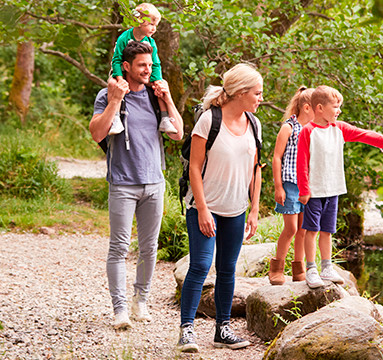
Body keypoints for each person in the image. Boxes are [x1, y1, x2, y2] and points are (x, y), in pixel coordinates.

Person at [89, 41, 184, 330]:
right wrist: (116, 100)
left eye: (150, 64)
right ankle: (120, 310)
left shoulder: (156, 97)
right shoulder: (107, 95)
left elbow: (178, 134)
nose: (148, 69)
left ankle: (140, 299)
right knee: (118, 248)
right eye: (142, 65)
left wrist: (167, 99)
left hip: (154, 182)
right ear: (126, 66)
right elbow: (96, 133)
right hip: (122, 183)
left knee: (149, 247)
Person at [176, 64, 263, 353]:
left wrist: (254, 210)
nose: (260, 98)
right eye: (257, 93)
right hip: (205, 206)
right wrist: (202, 209)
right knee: (200, 265)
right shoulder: (209, 121)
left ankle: (222, 331)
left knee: (227, 269)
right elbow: (195, 168)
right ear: (240, 93)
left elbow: (256, 168)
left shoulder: (254, 123)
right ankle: (186, 331)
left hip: (236, 209)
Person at [296, 85, 383, 289]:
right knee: (311, 230)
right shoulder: (308, 131)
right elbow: (301, 162)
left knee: (327, 231)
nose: (339, 110)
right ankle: (311, 269)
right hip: (314, 191)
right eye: (335, 106)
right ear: (320, 108)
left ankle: (326, 267)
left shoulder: (339, 128)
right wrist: (304, 190)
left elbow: (366, 135)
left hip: (333, 189)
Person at [268, 86, 315, 285]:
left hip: (308, 186)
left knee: (304, 229)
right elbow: (277, 158)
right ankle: (276, 269)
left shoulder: (314, 129)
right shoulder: (289, 127)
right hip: (289, 185)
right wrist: (278, 187)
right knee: (291, 228)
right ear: (306, 107)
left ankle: (299, 269)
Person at [107, 3, 177, 135]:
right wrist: (120, 79)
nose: (154, 29)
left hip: (143, 73)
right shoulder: (124, 38)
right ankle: (115, 118)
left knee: (161, 86)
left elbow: (155, 64)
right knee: (112, 84)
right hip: (122, 72)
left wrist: (157, 80)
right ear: (138, 22)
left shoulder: (151, 42)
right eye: (151, 24)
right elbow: (116, 60)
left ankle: (164, 118)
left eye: (156, 25)